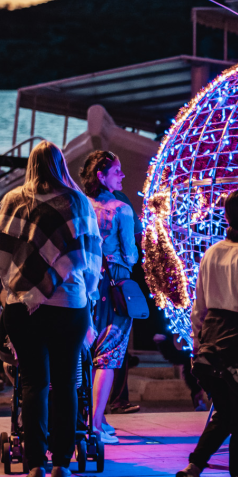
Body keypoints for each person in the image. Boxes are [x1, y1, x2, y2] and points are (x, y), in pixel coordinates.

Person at [0, 142, 102, 477]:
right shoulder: (77, 201)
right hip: (68, 304)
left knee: (33, 383)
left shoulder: (12, 200)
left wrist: (8, 296)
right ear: (60, 164)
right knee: (67, 383)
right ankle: (61, 463)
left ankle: (34, 465)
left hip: (22, 305)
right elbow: (92, 255)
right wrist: (90, 296)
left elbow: (1, 260)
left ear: (31, 165)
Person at [177, 191, 238, 477]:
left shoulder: (211, 253)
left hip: (210, 348)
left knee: (226, 413)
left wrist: (195, 342)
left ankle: (194, 467)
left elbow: (198, 305)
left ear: (225, 217)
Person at [80, 151, 138, 445]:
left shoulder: (80, 206)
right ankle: (95, 424)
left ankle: (96, 417)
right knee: (109, 356)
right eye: (117, 170)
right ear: (101, 175)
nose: (122, 175)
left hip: (84, 284)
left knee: (86, 353)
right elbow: (132, 254)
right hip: (114, 284)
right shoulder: (121, 209)